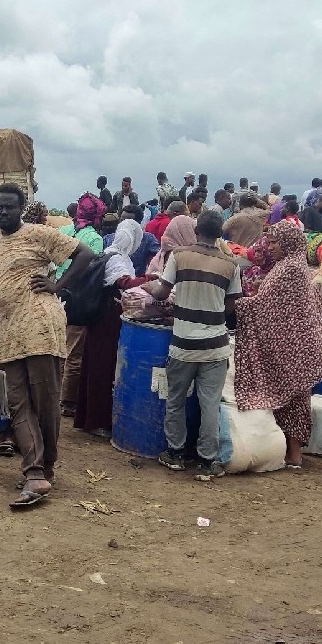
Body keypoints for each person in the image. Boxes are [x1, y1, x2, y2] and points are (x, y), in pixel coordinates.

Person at [0, 183, 93, 507]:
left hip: (40, 328)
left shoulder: (39, 234)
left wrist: (57, 284)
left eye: (9, 207)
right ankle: (34, 473)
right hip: (6, 333)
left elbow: (85, 254)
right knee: (16, 404)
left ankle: (44, 468)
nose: (3, 212)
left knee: (45, 404)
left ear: (21, 209)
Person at [144, 211, 240, 479]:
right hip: (216, 346)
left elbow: (162, 292)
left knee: (175, 399)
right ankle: (207, 462)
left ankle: (175, 454)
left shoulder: (178, 256)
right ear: (220, 234)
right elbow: (231, 306)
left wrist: (149, 287)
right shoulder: (231, 265)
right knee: (209, 403)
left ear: (197, 231)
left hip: (183, 344)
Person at [234, 221, 322, 468]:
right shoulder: (294, 264)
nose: (271, 247)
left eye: (275, 243)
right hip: (298, 344)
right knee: (294, 397)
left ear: (288, 243)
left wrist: (235, 303)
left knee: (292, 399)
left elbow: (265, 306)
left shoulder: (289, 268)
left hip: (293, 347)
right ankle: (290, 453)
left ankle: (294, 454)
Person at [75, 220, 153, 435]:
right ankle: (96, 421)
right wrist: (153, 279)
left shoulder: (114, 254)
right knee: (102, 367)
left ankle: (92, 417)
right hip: (106, 319)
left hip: (105, 317)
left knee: (98, 365)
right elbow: (125, 284)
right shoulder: (115, 258)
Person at [57, 194, 106, 417]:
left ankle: (52, 394)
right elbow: (92, 272)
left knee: (55, 348)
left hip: (55, 295)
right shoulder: (94, 239)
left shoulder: (64, 232)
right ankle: (67, 402)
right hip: (77, 299)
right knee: (73, 352)